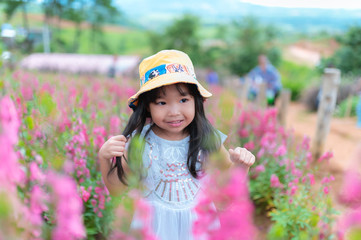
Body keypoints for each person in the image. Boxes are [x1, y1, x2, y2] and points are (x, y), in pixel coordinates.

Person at [98, 50, 255, 240]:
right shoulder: (139, 142)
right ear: (148, 106)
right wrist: (104, 158)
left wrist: (241, 165)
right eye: (162, 103)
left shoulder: (207, 139)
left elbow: (225, 194)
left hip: (198, 226)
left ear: (196, 101)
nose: (174, 112)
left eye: (183, 100)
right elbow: (117, 189)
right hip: (153, 228)